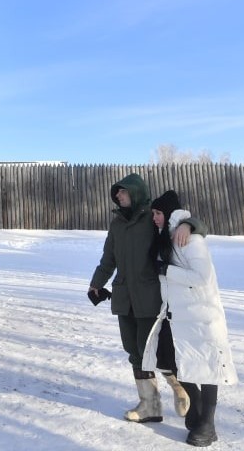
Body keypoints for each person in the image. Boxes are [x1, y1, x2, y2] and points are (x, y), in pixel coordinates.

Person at [89, 175, 204, 424]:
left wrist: (189, 225)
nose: (118, 197)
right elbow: (109, 258)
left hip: (149, 296)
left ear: (136, 192)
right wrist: (97, 283)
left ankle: (179, 387)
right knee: (132, 350)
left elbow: (182, 219)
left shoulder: (152, 218)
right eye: (117, 194)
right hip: (123, 295)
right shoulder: (117, 223)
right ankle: (149, 405)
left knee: (152, 349)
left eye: (122, 192)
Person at [142, 191, 237, 447]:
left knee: (207, 368)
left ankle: (208, 423)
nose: (155, 218)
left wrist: (165, 269)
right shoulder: (167, 239)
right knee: (172, 361)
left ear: (170, 213)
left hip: (201, 315)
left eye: (158, 213)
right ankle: (195, 407)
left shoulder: (190, 239)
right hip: (176, 315)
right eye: (153, 214)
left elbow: (201, 277)